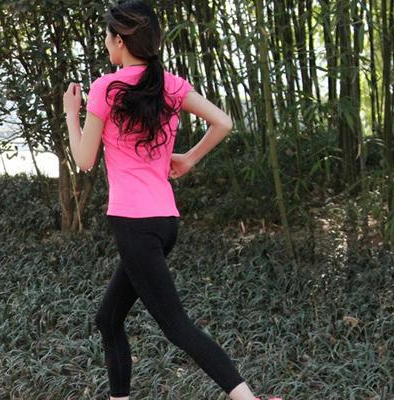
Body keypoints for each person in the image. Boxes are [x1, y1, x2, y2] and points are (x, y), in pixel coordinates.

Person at [63, 1, 281, 399]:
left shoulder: (107, 88)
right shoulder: (170, 84)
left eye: (108, 36)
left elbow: (84, 159)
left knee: (177, 326)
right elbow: (224, 122)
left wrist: (70, 113)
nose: (107, 43)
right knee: (108, 319)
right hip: (164, 222)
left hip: (134, 224)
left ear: (120, 40)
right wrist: (189, 159)